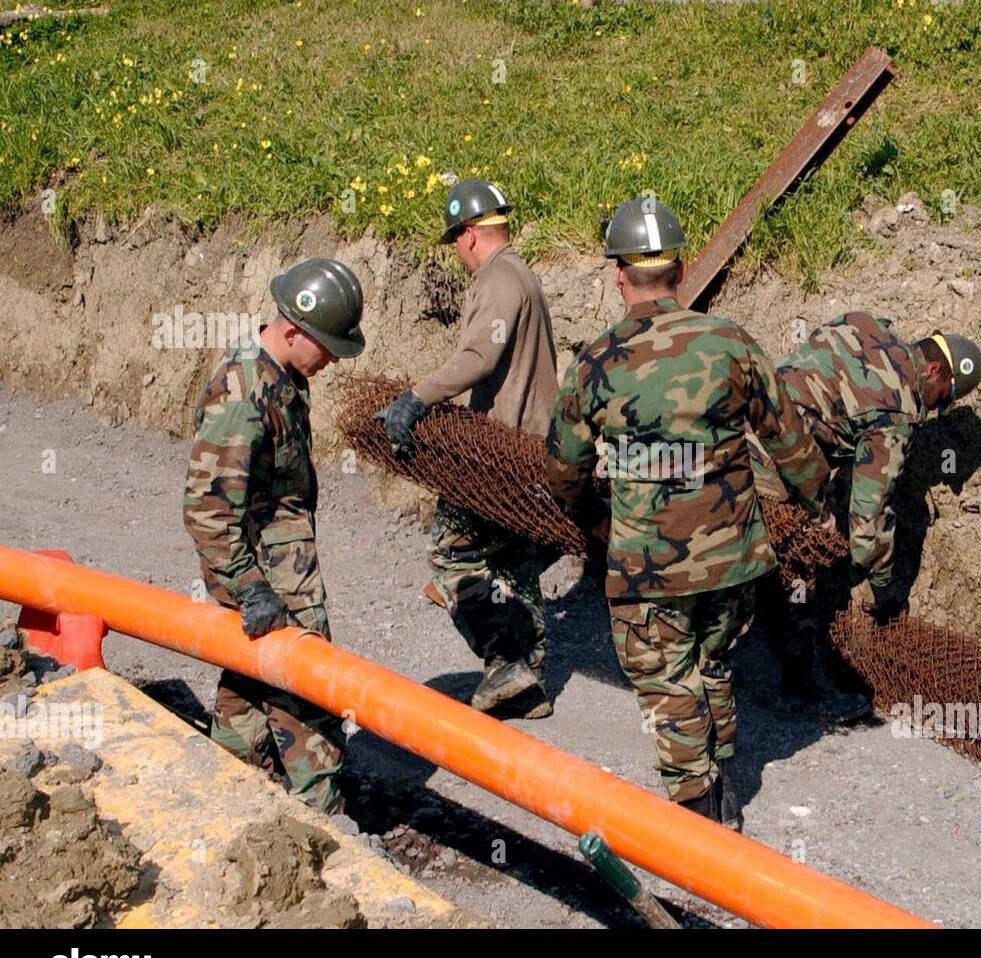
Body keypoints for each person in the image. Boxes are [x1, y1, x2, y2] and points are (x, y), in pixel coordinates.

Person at [545, 197, 830, 830]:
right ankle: (720, 773)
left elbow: (562, 469)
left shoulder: (595, 363)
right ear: (678, 269)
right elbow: (790, 443)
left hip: (649, 566)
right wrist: (819, 507)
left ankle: (701, 819)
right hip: (734, 559)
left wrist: (595, 519)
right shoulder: (729, 342)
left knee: (666, 682)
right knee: (712, 662)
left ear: (619, 273)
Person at [183, 257, 365, 814]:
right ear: (292, 330)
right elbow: (207, 508)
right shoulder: (243, 394)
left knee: (250, 679)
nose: (332, 361)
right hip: (263, 568)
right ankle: (325, 821)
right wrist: (249, 587)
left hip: (277, 557)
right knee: (307, 687)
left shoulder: (281, 373)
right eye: (328, 348)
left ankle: (230, 793)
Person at [373, 179, 558, 719]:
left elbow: (479, 355)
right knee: (516, 565)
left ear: (471, 234)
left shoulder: (498, 279)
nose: (455, 252)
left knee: (450, 555)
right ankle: (529, 688)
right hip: (531, 451)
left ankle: (505, 662)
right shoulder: (522, 273)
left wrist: (417, 397)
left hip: (497, 457)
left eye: (455, 239)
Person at [751, 310, 981, 713]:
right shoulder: (899, 411)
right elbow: (866, 527)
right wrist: (887, 594)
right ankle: (798, 690)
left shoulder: (870, 324)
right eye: (943, 397)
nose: (935, 409)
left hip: (739, 413)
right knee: (802, 562)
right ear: (931, 371)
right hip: (770, 456)